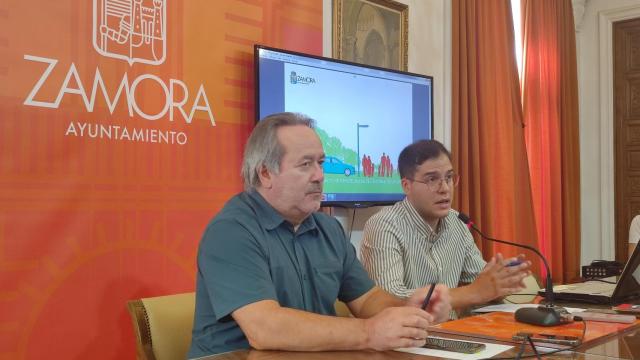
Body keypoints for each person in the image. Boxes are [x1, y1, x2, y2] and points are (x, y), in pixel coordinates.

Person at [188, 113, 451, 358]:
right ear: (266, 173)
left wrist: (409, 309)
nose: (319, 175)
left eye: (321, 163)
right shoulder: (232, 231)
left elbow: (367, 299)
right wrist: (369, 332)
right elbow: (265, 328)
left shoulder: (328, 229)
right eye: (305, 165)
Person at [360, 139, 531, 316]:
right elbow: (390, 300)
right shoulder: (384, 226)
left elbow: (481, 282)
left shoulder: (457, 223)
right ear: (407, 186)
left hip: (453, 335)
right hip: (407, 339)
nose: (445, 189)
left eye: (449, 178)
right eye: (432, 179)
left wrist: (502, 280)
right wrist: (473, 292)